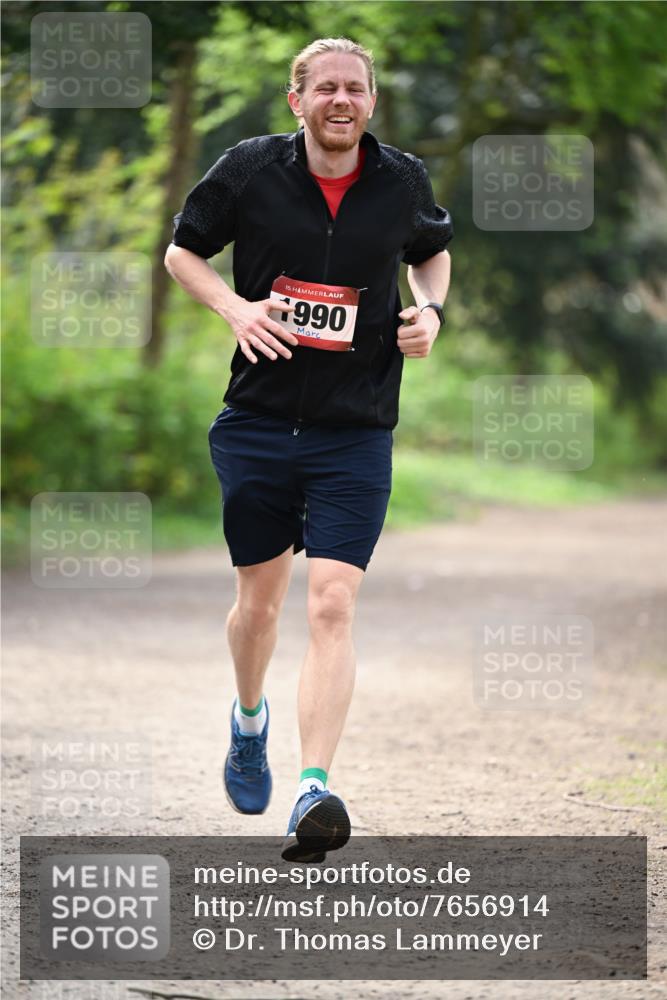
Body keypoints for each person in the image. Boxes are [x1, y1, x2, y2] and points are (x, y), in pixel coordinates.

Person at [165, 37, 452, 863]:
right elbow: (182, 252)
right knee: (258, 607)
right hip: (256, 423)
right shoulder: (251, 168)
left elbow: (429, 252)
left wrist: (427, 313)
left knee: (331, 605)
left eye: (354, 89)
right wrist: (236, 309)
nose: (341, 100)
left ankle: (312, 788)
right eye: (324, 87)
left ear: (369, 102)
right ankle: (248, 719)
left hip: (354, 430)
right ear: (297, 101)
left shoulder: (399, 180)